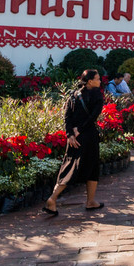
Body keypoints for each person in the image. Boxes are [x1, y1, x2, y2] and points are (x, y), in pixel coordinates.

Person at [43, 69, 105, 216]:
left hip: (74, 138)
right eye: (97, 79)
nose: (100, 81)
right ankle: (53, 199)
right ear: (90, 81)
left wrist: (70, 133)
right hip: (88, 135)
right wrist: (80, 130)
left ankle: (89, 201)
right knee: (91, 167)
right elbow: (93, 117)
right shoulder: (97, 94)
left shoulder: (74, 95)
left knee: (69, 165)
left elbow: (67, 116)